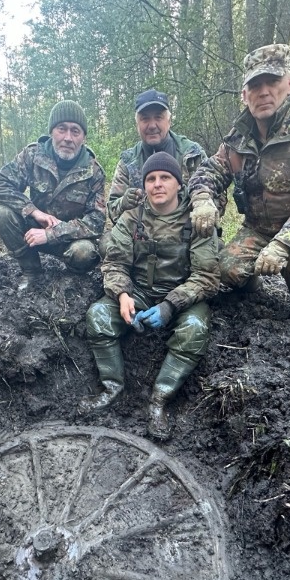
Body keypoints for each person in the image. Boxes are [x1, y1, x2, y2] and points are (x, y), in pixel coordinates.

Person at [188, 44, 290, 320]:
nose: (264, 92)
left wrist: (281, 245)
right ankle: (253, 293)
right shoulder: (238, 137)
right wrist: (202, 199)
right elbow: (211, 170)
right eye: (254, 85)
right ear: (244, 94)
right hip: (259, 226)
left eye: (272, 81)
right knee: (225, 268)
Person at [80, 152, 220, 440]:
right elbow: (114, 263)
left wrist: (171, 305)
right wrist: (122, 294)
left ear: (179, 184)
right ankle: (112, 386)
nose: (157, 184)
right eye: (151, 179)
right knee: (97, 316)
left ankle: (159, 399)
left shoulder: (196, 220)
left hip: (184, 298)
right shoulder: (132, 217)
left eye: (165, 178)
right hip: (140, 293)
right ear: (144, 185)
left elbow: (207, 276)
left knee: (194, 330)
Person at [0, 100, 106, 291]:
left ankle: (73, 280)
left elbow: (96, 221)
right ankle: (32, 271)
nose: (68, 137)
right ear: (52, 131)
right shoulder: (33, 155)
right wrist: (33, 211)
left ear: (83, 137)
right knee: (1, 214)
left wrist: (52, 234)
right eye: (62, 129)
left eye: (75, 131)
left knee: (84, 253)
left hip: (70, 239)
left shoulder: (94, 171)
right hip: (33, 231)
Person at [106, 89, 209, 222]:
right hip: (142, 234)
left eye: (158, 117)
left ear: (169, 120)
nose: (152, 125)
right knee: (109, 241)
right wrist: (125, 202)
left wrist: (201, 204)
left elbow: (215, 198)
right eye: (145, 119)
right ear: (137, 124)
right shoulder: (128, 162)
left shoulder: (192, 154)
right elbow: (112, 211)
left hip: (186, 231)